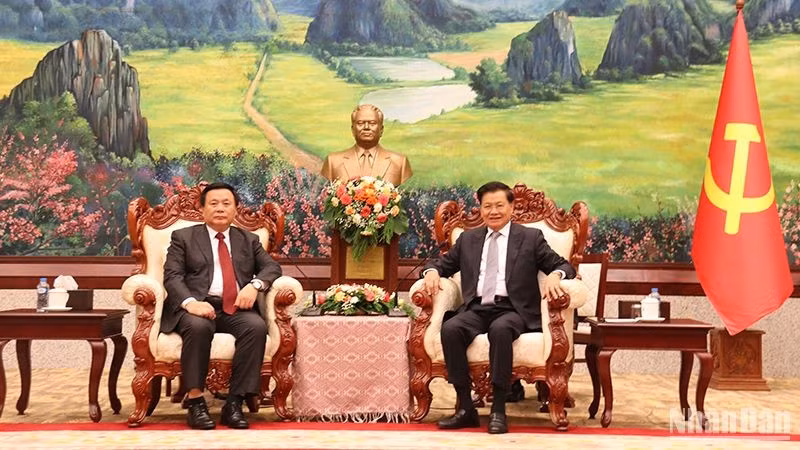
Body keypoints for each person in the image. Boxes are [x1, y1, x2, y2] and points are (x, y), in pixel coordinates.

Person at [422, 181, 576, 434]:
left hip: (513, 310)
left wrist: (555, 275)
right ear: (481, 208)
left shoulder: (530, 238)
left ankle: (499, 409)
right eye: (487, 206)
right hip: (477, 309)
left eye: (499, 205)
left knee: (501, 330)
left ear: (511, 207)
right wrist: (431, 272)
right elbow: (442, 264)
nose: (493, 211)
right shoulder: (468, 239)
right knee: (451, 329)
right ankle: (465, 408)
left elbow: (563, 265)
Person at [162, 182, 282, 430]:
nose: (220, 208)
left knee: (256, 327)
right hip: (197, 306)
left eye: (226, 204)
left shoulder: (248, 240)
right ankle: (196, 401)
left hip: (234, 306)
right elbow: (172, 276)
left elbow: (272, 267)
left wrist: (255, 285)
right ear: (202, 209)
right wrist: (190, 303)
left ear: (235, 209)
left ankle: (234, 403)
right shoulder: (183, 238)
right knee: (198, 327)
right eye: (213, 203)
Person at [320, 104, 413, 186]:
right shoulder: (333, 162)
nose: (366, 127)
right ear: (353, 129)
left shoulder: (400, 163)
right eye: (360, 123)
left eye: (372, 123)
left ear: (381, 129)